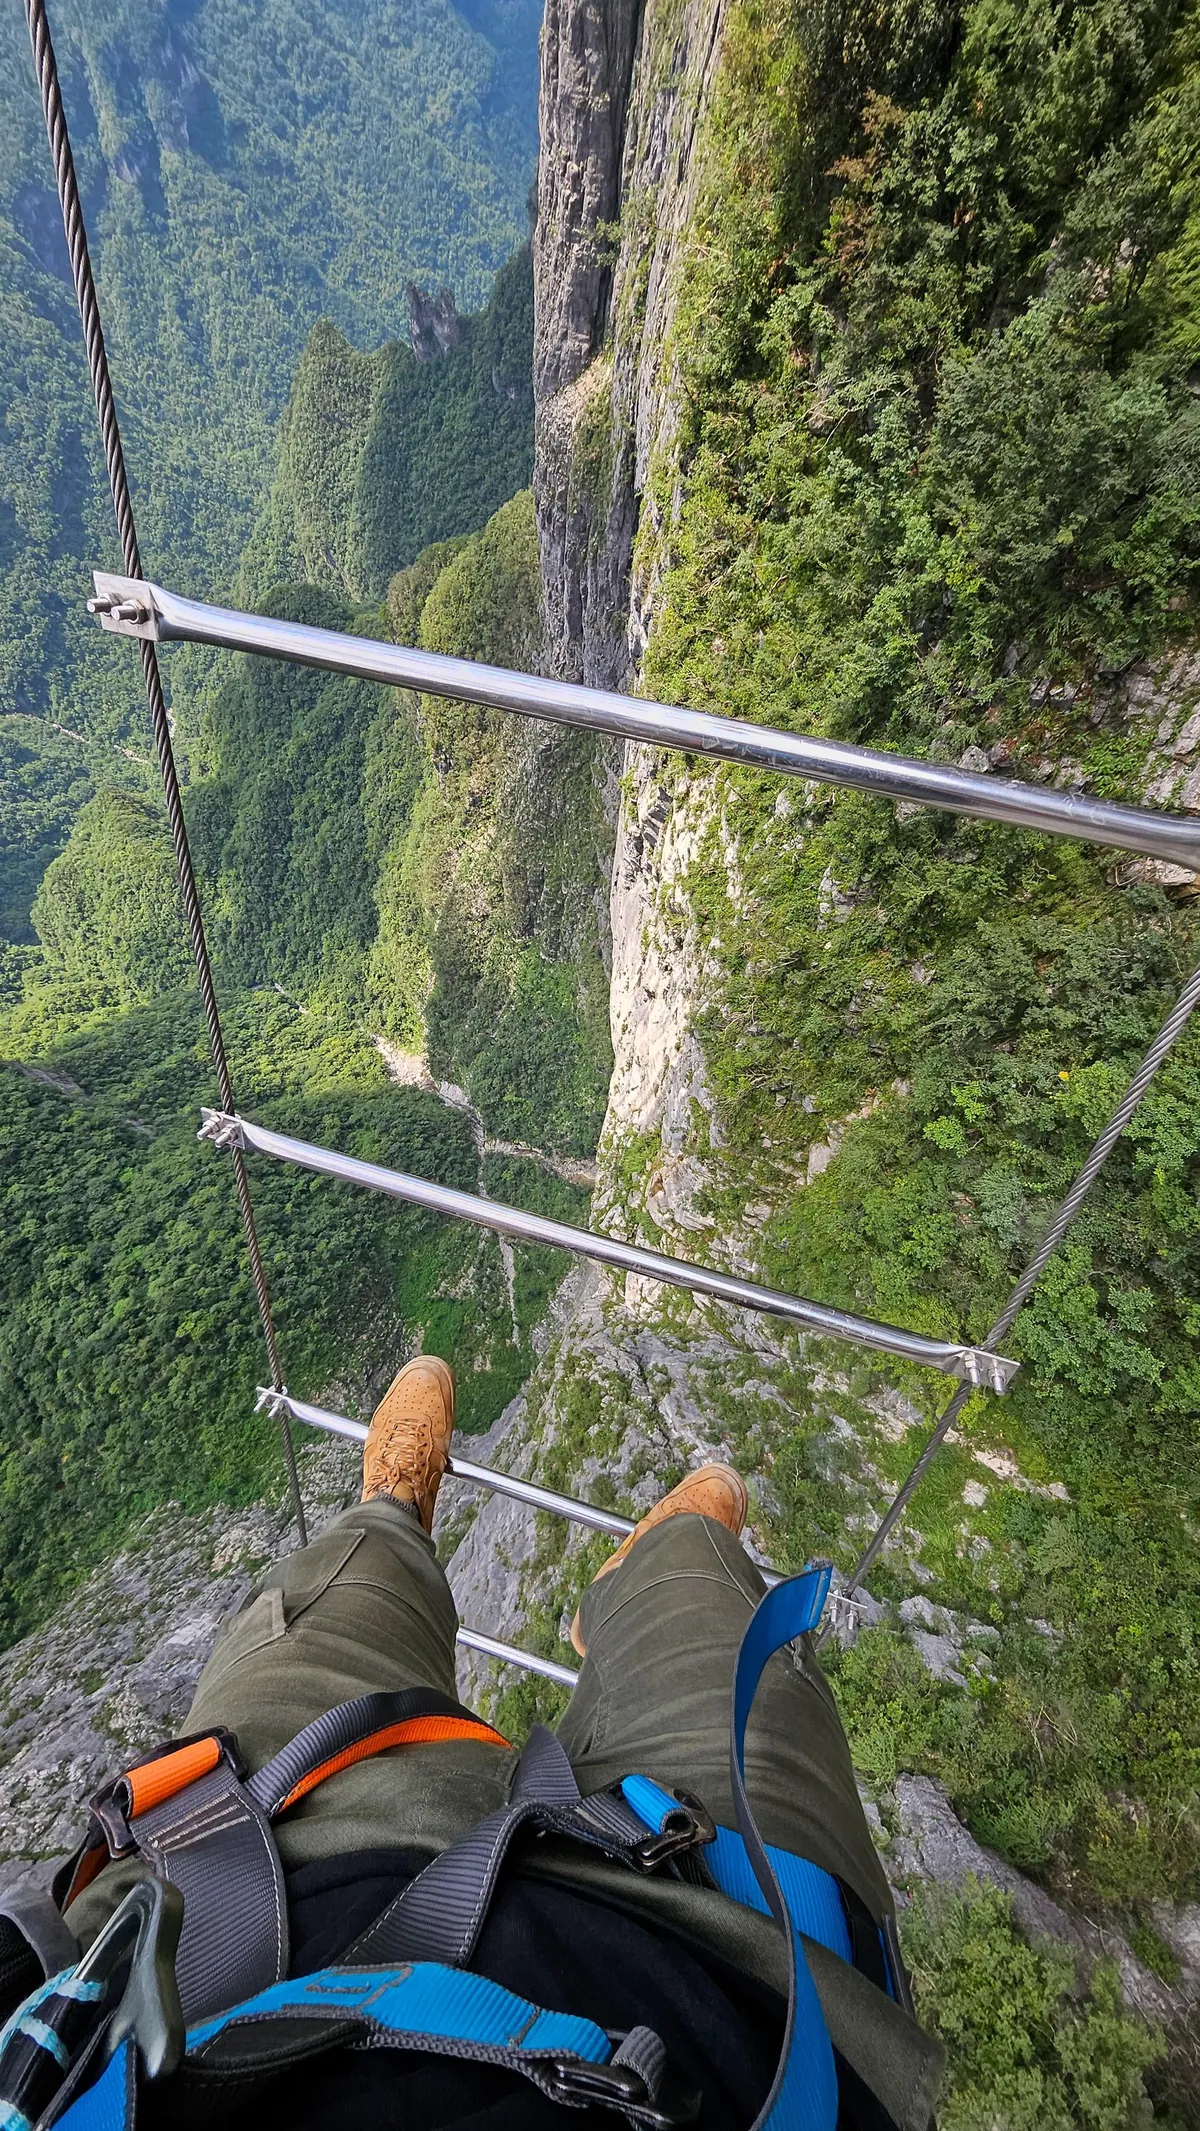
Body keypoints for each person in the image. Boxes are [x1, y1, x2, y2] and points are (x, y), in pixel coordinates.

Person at [27, 1358, 943, 2128]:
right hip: (704, 1957)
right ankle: (640, 1583)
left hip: (224, 1887)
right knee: (715, 1596)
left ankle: (392, 1507)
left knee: (335, 1594)